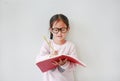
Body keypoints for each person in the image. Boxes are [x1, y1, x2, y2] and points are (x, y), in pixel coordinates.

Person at [36, 14, 78, 81]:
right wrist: (50, 56)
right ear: (51, 30)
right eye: (56, 30)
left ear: (68, 29)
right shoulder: (47, 44)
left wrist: (64, 64)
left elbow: (74, 66)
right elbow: (39, 60)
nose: (59, 33)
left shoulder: (70, 46)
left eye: (63, 29)